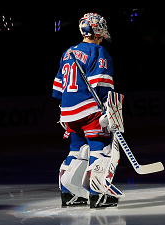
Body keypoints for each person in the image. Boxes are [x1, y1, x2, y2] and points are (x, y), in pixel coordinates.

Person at [52, 13, 121, 209]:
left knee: (77, 150)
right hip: (90, 110)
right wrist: (108, 110)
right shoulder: (99, 51)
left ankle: (69, 194)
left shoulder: (67, 53)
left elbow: (58, 89)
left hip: (67, 111)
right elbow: (102, 85)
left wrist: (67, 111)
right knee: (101, 149)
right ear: (98, 31)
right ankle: (97, 194)